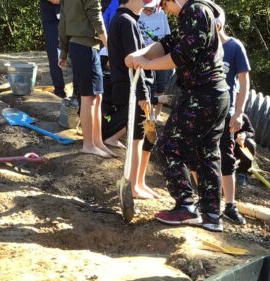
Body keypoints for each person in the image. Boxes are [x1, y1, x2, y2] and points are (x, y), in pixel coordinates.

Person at [125, 0, 230, 232]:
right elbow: (168, 44)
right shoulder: (192, 16)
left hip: (202, 94)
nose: (163, 9)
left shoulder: (195, 11)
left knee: (169, 145)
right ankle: (212, 215)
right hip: (215, 95)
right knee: (207, 153)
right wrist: (140, 54)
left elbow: (180, 56)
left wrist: (147, 63)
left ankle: (186, 206)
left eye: (164, 3)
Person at [103, 0, 155, 201]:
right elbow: (134, 63)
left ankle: (140, 181)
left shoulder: (126, 19)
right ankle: (133, 185)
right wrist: (143, 94)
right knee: (137, 137)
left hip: (132, 87)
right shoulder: (125, 21)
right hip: (131, 88)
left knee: (145, 134)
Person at [59, 0, 113, 158]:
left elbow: (62, 22)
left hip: (86, 47)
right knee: (88, 97)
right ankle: (88, 144)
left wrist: (63, 51)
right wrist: (109, 46)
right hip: (84, 46)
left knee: (97, 96)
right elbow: (95, 14)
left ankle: (98, 141)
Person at [216, 11, 251, 225]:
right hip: (203, 112)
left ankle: (229, 205)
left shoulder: (234, 47)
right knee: (198, 157)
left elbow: (244, 83)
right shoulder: (201, 47)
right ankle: (207, 200)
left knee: (226, 159)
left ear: (218, 26)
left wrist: (238, 113)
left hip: (225, 114)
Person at [40, 0, 66, 98]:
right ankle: (60, 91)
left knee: (76, 46)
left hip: (70, 9)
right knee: (53, 51)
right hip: (50, 13)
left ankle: (78, 92)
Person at [233, 113, 256, 186]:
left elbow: (252, 132)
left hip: (237, 148)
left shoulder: (242, 117)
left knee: (250, 143)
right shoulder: (220, 111)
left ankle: (242, 172)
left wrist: (244, 134)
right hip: (221, 146)